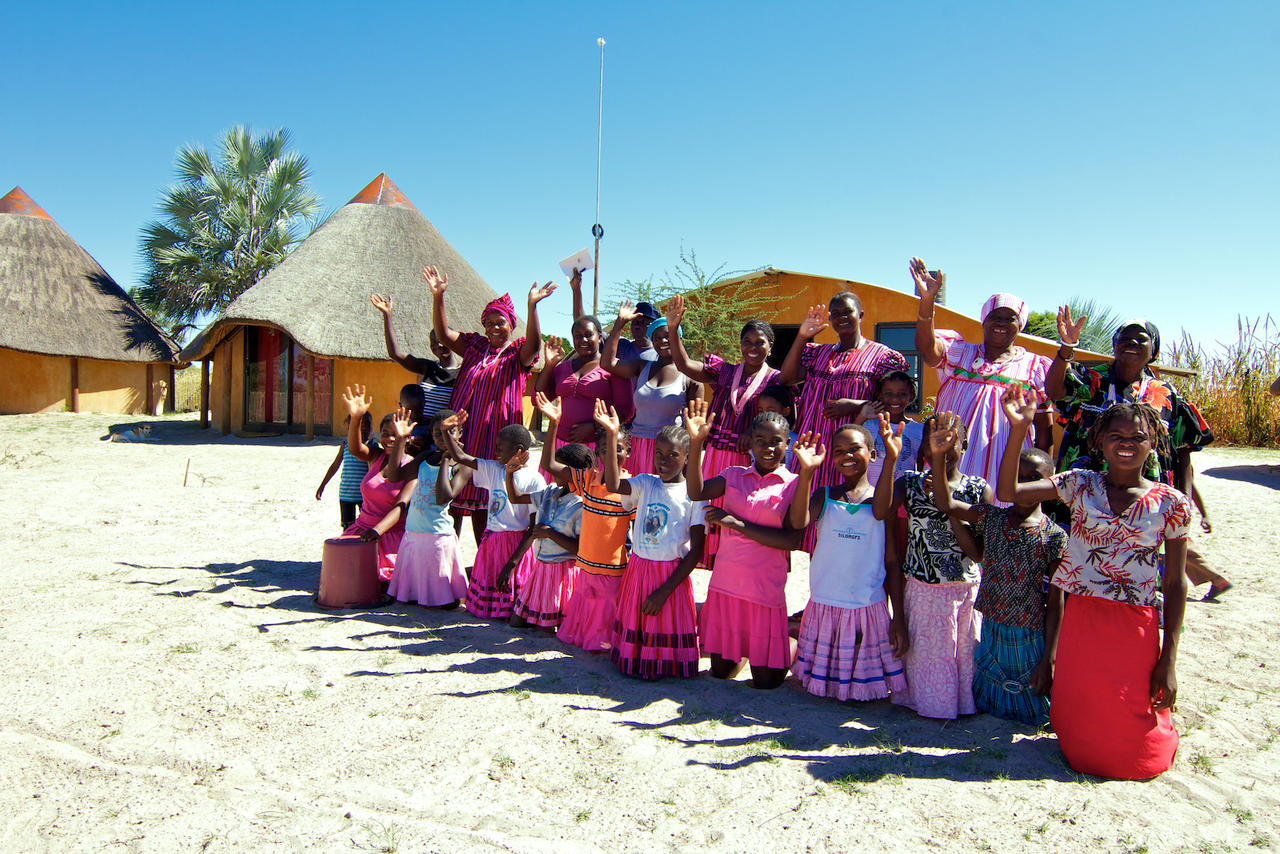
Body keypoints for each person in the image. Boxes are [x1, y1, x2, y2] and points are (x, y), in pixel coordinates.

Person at [998, 387, 1189, 779]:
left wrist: (1168, 659)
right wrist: (1020, 429)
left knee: (1134, 731)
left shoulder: (1172, 504)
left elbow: (1175, 585)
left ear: (1153, 443)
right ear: (1099, 440)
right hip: (1081, 618)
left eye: (1138, 438)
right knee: (1082, 719)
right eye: (1117, 436)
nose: (1126, 444)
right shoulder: (1080, 484)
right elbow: (1007, 492)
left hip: (1134, 622)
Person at [1047, 312, 1231, 599]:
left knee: (1130, 563)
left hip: (1142, 495)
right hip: (1084, 491)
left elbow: (1182, 453)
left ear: (1153, 348)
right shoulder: (1091, 377)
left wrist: (1181, 500)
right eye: (1124, 337)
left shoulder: (1167, 394)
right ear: (1115, 344)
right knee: (1076, 558)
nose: (1131, 342)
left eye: (1140, 338)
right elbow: (1055, 391)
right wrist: (1067, 348)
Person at [929, 412, 1067, 727]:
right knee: (991, 689)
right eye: (1017, 476)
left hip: (1029, 631)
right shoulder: (994, 518)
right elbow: (947, 504)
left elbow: (1057, 600)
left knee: (1031, 702)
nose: (1023, 484)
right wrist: (938, 458)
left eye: (1034, 478)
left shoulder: (1054, 535)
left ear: (1050, 480)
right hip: (992, 623)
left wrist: (1050, 657)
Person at [874, 412, 991, 719]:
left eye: (948, 438)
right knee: (931, 659)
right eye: (931, 440)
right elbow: (880, 510)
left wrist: (951, 506)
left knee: (963, 655)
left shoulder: (979, 490)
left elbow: (977, 553)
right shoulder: (910, 483)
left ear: (964, 444)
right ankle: (932, 708)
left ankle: (962, 706)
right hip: (924, 589)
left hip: (964, 591)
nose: (938, 445)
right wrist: (891, 458)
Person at [424, 264, 553, 541]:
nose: (495, 328)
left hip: (496, 438)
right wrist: (438, 297)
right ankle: (449, 561)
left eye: (501, 323)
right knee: (455, 498)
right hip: (466, 433)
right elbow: (444, 334)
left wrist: (532, 307)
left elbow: (535, 343)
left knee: (489, 498)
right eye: (490, 323)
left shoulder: (517, 352)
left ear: (511, 324)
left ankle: (484, 562)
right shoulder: (473, 346)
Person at [910, 258, 1053, 496]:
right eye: (995, 317)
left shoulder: (1034, 368)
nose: (1001, 323)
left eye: (1010, 318)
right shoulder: (960, 352)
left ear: (1021, 325)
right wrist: (927, 302)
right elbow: (927, 351)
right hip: (951, 468)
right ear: (984, 321)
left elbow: (1044, 430)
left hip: (1004, 475)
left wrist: (1042, 479)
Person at [685, 400, 800, 690]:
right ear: (750, 443)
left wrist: (737, 524)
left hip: (764, 589)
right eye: (760, 440)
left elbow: (792, 539)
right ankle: (743, 653)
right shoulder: (733, 475)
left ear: (789, 443)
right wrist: (697, 442)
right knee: (721, 673)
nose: (768, 448)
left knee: (767, 683)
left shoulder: (793, 484)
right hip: (727, 585)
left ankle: (794, 639)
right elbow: (696, 491)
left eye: (776, 442)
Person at [780, 291, 909, 549]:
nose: (841, 318)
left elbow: (894, 400)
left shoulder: (882, 357)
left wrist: (853, 405)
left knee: (841, 530)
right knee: (800, 525)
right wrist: (803, 336)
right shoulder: (817, 354)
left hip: (847, 454)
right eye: (835, 313)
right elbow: (787, 378)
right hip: (812, 449)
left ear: (860, 314)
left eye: (847, 311)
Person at [789, 427, 908, 701]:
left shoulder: (882, 502)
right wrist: (806, 472)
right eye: (839, 451)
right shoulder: (825, 495)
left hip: (867, 605)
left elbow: (891, 560)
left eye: (855, 448)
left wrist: (898, 617)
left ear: (873, 454)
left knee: (861, 681)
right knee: (827, 679)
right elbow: (797, 523)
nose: (847, 456)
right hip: (826, 602)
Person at [666, 293, 781, 567]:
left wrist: (754, 434)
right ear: (740, 345)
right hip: (717, 455)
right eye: (747, 342)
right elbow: (683, 365)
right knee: (710, 514)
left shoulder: (776, 379)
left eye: (759, 342)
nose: (752, 347)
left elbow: (782, 420)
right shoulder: (726, 372)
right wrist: (673, 330)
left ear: (770, 346)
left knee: (740, 518)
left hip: (749, 460)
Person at [596, 400, 706, 680]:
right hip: (639, 569)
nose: (663, 460)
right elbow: (611, 485)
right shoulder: (645, 482)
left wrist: (664, 591)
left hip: (671, 577)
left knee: (664, 625)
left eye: (673, 455)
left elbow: (695, 552)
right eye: (659, 453)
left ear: (687, 457)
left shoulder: (694, 495)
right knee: (640, 627)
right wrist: (611, 434)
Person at [534, 393, 635, 651]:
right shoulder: (588, 480)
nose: (611, 454)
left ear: (629, 451)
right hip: (586, 566)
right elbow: (548, 464)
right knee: (584, 613)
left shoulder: (632, 487)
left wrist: (612, 433)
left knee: (604, 626)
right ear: (597, 452)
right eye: (604, 449)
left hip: (612, 570)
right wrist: (554, 423)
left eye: (617, 448)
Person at [435, 412, 545, 619]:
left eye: (500, 448)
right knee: (489, 593)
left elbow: (533, 526)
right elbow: (460, 457)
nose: (495, 452)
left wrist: (513, 562)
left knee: (512, 593)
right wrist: (445, 431)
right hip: (492, 539)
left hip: (515, 543)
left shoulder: (534, 480)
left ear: (517, 451)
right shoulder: (494, 469)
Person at [601, 302, 701, 475]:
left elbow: (695, 427)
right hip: (637, 445)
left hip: (668, 451)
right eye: (657, 337)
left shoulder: (690, 376)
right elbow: (607, 363)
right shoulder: (642, 367)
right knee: (635, 499)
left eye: (669, 335)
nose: (663, 341)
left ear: (679, 339)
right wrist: (620, 323)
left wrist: (687, 460)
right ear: (652, 341)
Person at [382, 409, 468, 608]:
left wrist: (446, 458)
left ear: (460, 433)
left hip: (438, 537)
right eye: (439, 433)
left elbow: (442, 497)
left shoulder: (463, 464)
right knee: (412, 598)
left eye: (450, 432)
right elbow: (394, 476)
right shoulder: (425, 457)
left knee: (443, 601)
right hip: (413, 534)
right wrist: (401, 440)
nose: (443, 437)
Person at [502, 442, 590, 631]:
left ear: (573, 472)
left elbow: (580, 550)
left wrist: (549, 533)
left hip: (561, 571)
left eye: (558, 467)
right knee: (516, 622)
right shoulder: (550, 492)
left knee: (546, 626)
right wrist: (509, 473)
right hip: (541, 567)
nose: (553, 471)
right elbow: (516, 498)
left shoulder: (581, 504)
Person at [339, 385, 416, 583]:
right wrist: (356, 418)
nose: (389, 439)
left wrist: (377, 532)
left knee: (376, 581)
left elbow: (401, 507)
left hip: (389, 536)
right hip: (361, 529)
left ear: (408, 436)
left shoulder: (413, 467)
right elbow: (355, 449)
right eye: (385, 433)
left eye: (396, 434)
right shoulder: (375, 456)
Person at [537, 313, 633, 454]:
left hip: (597, 447)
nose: (583, 340)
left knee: (590, 477)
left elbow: (626, 411)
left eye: (589, 335)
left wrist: (594, 426)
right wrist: (549, 366)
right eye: (578, 336)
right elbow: (538, 398)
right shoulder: (562, 368)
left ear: (600, 338)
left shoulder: (613, 368)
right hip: (560, 445)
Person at [370, 293, 459, 419]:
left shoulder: (462, 373)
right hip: (419, 431)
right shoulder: (428, 367)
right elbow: (395, 353)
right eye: (433, 342)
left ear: (450, 340)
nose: (437, 345)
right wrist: (387, 315)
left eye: (441, 340)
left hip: (442, 434)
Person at [568, 267, 659, 362]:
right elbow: (582, 325)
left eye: (643, 322)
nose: (637, 326)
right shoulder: (620, 345)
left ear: (653, 327)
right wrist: (576, 290)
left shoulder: (659, 354)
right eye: (635, 321)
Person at [859, 371, 925, 488]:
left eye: (902, 394)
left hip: (902, 498)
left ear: (911, 396)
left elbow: (920, 466)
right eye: (889, 393)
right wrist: (862, 416)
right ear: (879, 395)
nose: (895, 399)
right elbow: (850, 438)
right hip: (869, 496)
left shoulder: (920, 430)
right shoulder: (869, 425)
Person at [315, 412, 372, 529]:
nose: (364, 428)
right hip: (346, 494)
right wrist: (322, 485)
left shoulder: (372, 447)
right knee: (347, 528)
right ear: (350, 427)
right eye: (360, 424)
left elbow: (374, 471)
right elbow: (334, 466)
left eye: (367, 425)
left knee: (367, 526)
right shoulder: (345, 446)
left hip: (365, 496)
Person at [756, 385, 798, 466]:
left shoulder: (795, 441)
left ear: (786, 411)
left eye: (771, 411)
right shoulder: (755, 439)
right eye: (761, 411)